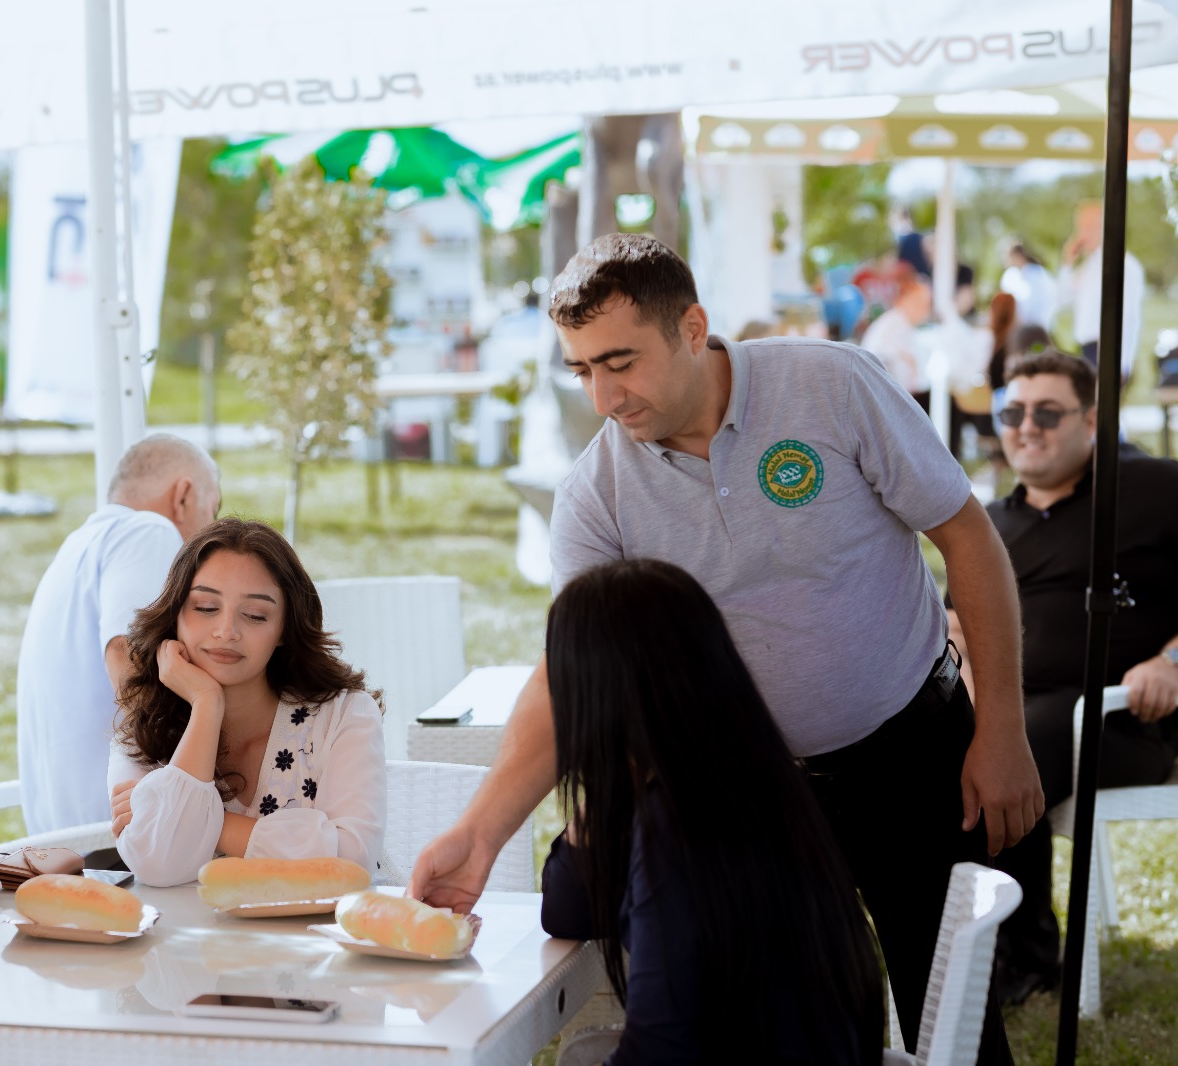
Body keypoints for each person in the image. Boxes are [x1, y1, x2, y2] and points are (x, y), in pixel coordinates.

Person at [409, 233, 1041, 1064]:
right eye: (582, 370)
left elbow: (967, 536)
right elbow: (574, 676)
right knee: (771, 1028)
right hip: (750, 796)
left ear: (692, 327)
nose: (603, 396)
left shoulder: (833, 384)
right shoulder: (595, 498)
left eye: (621, 361)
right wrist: (481, 836)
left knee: (952, 1017)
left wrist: (1001, 728)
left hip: (909, 747)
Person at [540, 558, 885, 1064]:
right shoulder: (748, 774)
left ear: (594, 692)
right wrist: (610, 778)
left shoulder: (677, 825)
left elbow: (659, 1052)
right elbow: (567, 912)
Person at [949, 351, 1178, 1004]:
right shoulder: (988, 522)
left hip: (1120, 718)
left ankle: (1018, 953)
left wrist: (1171, 662)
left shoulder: (1154, 490)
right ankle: (974, 944)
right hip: (1011, 707)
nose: (1027, 426)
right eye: (1012, 412)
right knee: (944, 755)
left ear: (1092, 420)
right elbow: (954, 629)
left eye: (1048, 412)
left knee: (1004, 752)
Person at [109, 518, 386, 887]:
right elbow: (159, 866)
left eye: (255, 615)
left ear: (284, 629)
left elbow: (352, 861)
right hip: (190, 943)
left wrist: (203, 822)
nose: (227, 631)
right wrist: (207, 704)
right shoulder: (143, 727)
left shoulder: (345, 715)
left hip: (329, 936)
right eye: (206, 607)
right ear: (175, 616)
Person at [15, 433, 221, 833]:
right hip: (120, 831)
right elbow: (127, 650)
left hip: (59, 833)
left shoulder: (77, 545)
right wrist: (167, 780)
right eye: (212, 510)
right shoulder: (149, 531)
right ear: (183, 496)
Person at [1058, 201, 1145, 383]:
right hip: (1088, 348)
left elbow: (1128, 315)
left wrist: (1123, 362)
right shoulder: (1089, 266)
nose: (1082, 233)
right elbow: (1062, 299)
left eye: (1089, 227)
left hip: (1108, 350)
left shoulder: (1125, 265)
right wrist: (1067, 263)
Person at [859, 266, 934, 409]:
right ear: (905, 300)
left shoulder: (897, 321)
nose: (925, 310)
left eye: (926, 305)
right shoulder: (896, 323)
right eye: (920, 303)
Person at [998, 243, 1057, 329]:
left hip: (1038, 326)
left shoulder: (1037, 273)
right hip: (1021, 328)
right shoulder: (1012, 275)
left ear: (1018, 255)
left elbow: (1039, 301)